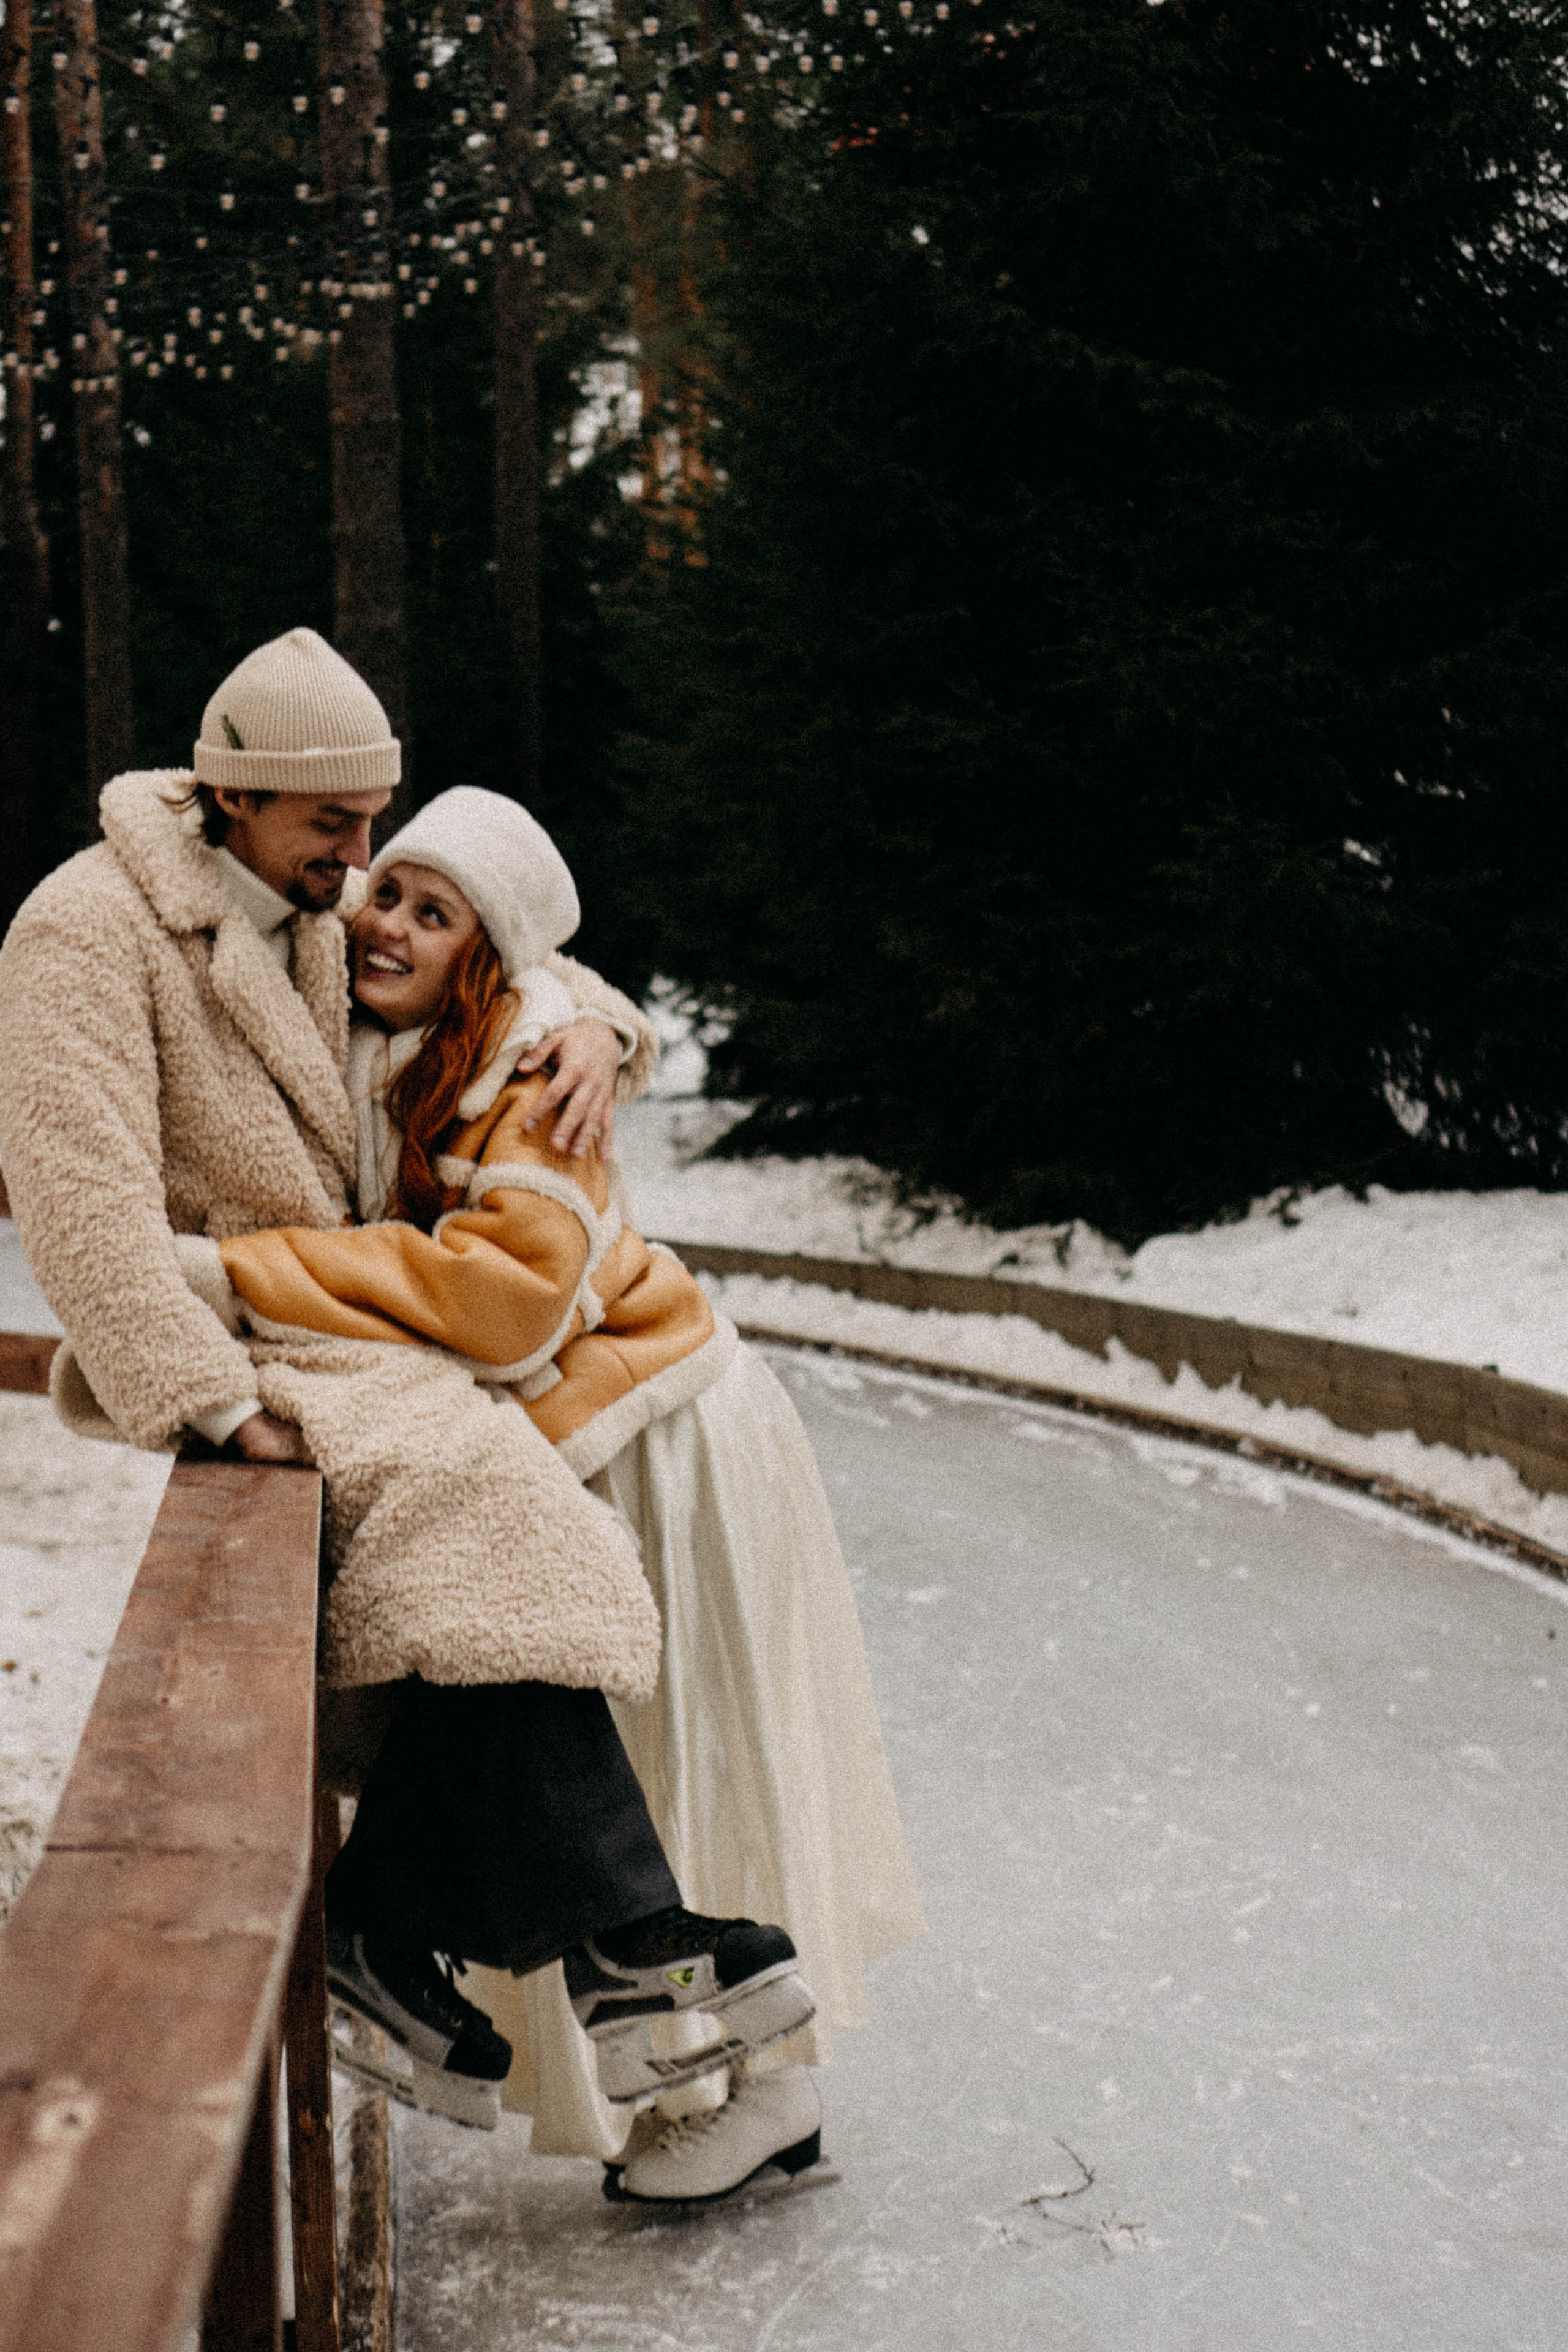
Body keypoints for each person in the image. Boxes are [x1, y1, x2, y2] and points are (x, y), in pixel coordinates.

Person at [0, 629, 813, 2152]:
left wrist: (600, 1030)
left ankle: (445, 1934)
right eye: (338, 826)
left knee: (481, 1541)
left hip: (351, 1326)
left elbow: (501, 957)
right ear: (236, 792)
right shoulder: (83, 932)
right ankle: (599, 1935)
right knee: (487, 1501)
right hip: (241, 1339)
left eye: (374, 826)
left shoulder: (312, 901)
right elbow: (78, 1205)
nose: (362, 863)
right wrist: (208, 1405)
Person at [205, 784, 925, 2203]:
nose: (386, 923)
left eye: (432, 913)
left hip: (658, 1431)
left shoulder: (531, 1071)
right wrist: (611, 1020)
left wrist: (239, 1273)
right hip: (568, 1433)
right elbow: (558, 971)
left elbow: (505, 1306)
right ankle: (543, 1989)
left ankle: (754, 2090)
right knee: (554, 1694)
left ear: (484, 956)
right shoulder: (414, 1020)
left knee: (681, 1748)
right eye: (387, 890)